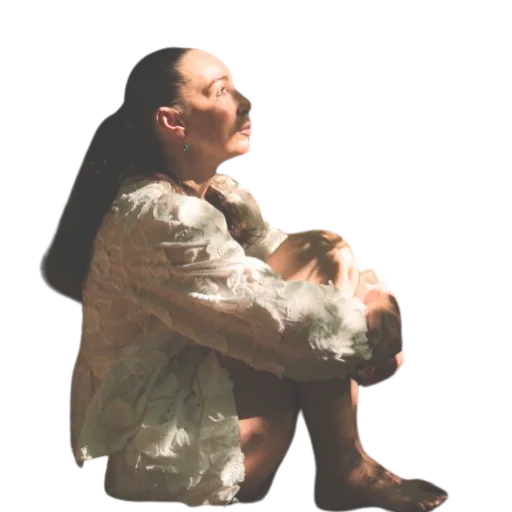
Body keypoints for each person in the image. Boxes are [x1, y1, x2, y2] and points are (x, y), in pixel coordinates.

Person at [48, 45, 449, 509]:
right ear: (173, 122)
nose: (244, 103)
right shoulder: (159, 215)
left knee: (324, 249)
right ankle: (346, 471)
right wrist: (374, 333)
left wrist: (378, 303)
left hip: (206, 385)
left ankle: (342, 471)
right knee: (304, 314)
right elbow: (284, 322)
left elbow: (300, 267)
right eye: (220, 92)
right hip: (162, 443)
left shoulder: (219, 195)